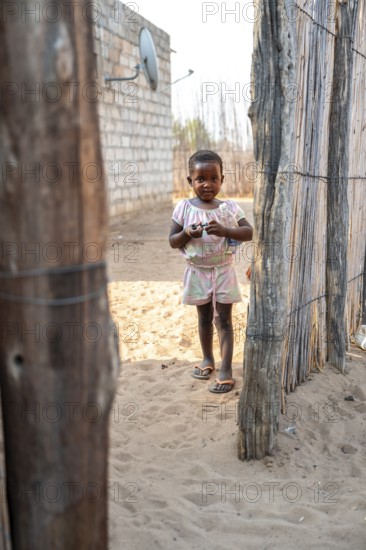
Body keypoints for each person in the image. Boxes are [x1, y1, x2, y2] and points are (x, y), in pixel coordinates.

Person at [169, 150, 253, 393]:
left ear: (222, 179)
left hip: (224, 271)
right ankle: (208, 359)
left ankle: (225, 369)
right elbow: (173, 241)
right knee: (204, 318)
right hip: (196, 272)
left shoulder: (228, 208)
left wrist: (226, 230)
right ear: (190, 181)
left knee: (224, 320)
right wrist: (187, 233)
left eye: (213, 178)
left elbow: (248, 232)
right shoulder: (184, 208)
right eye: (200, 179)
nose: (207, 184)